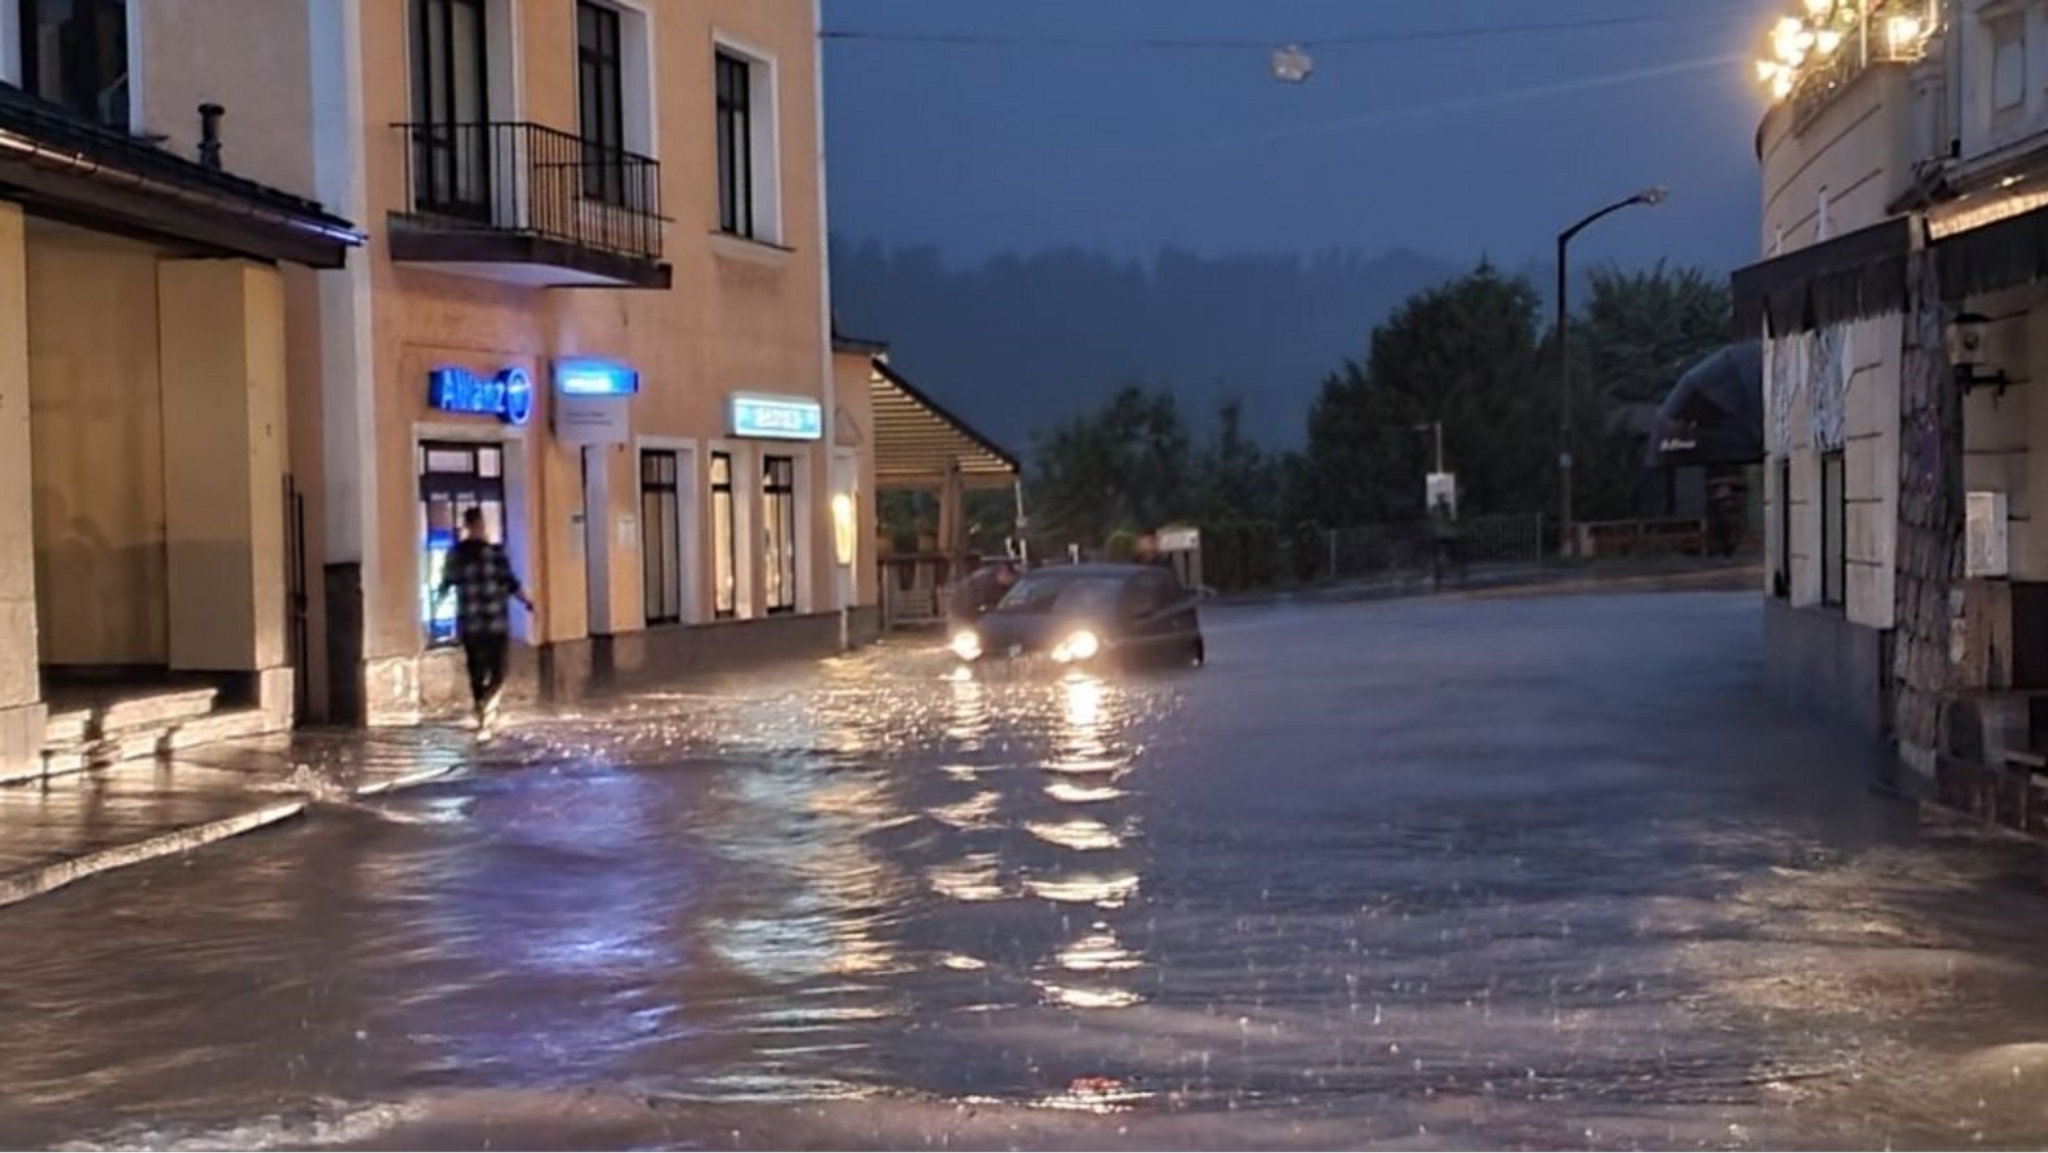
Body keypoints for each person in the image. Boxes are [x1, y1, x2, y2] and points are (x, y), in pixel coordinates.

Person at [436, 508, 534, 735]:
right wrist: (528, 602)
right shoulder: (494, 553)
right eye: (481, 523)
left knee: (477, 671)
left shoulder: (456, 554)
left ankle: (482, 708)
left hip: (470, 624)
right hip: (494, 623)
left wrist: (437, 605)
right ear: (478, 525)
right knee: (498, 671)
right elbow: (511, 583)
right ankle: (486, 706)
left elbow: (445, 584)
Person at [950, 559, 1018, 625]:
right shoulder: (984, 582)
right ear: (1004, 572)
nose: (1011, 582)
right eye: (1011, 577)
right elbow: (979, 604)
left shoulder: (1000, 584)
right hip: (962, 613)